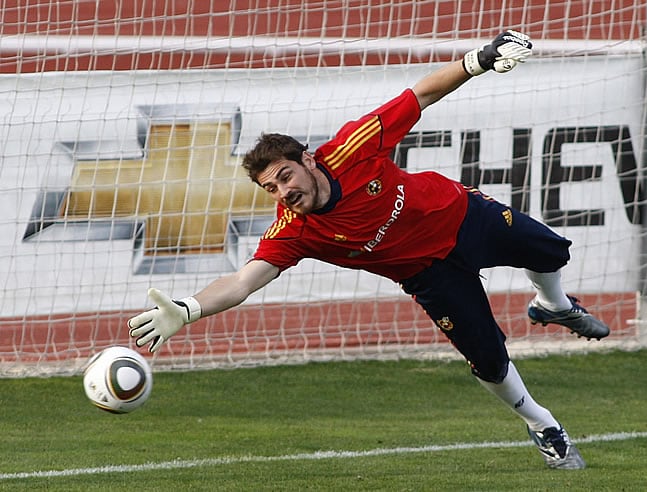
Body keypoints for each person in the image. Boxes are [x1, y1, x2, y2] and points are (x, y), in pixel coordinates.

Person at [128, 31, 609, 470]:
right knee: (488, 360)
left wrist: (478, 60)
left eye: (285, 176)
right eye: (270, 188)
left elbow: (420, 95)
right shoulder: (294, 231)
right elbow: (243, 281)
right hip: (429, 275)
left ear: (308, 159)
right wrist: (188, 309)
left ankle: (554, 306)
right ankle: (544, 425)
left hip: (462, 217)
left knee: (551, 252)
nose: (282, 192)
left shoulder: (352, 147)